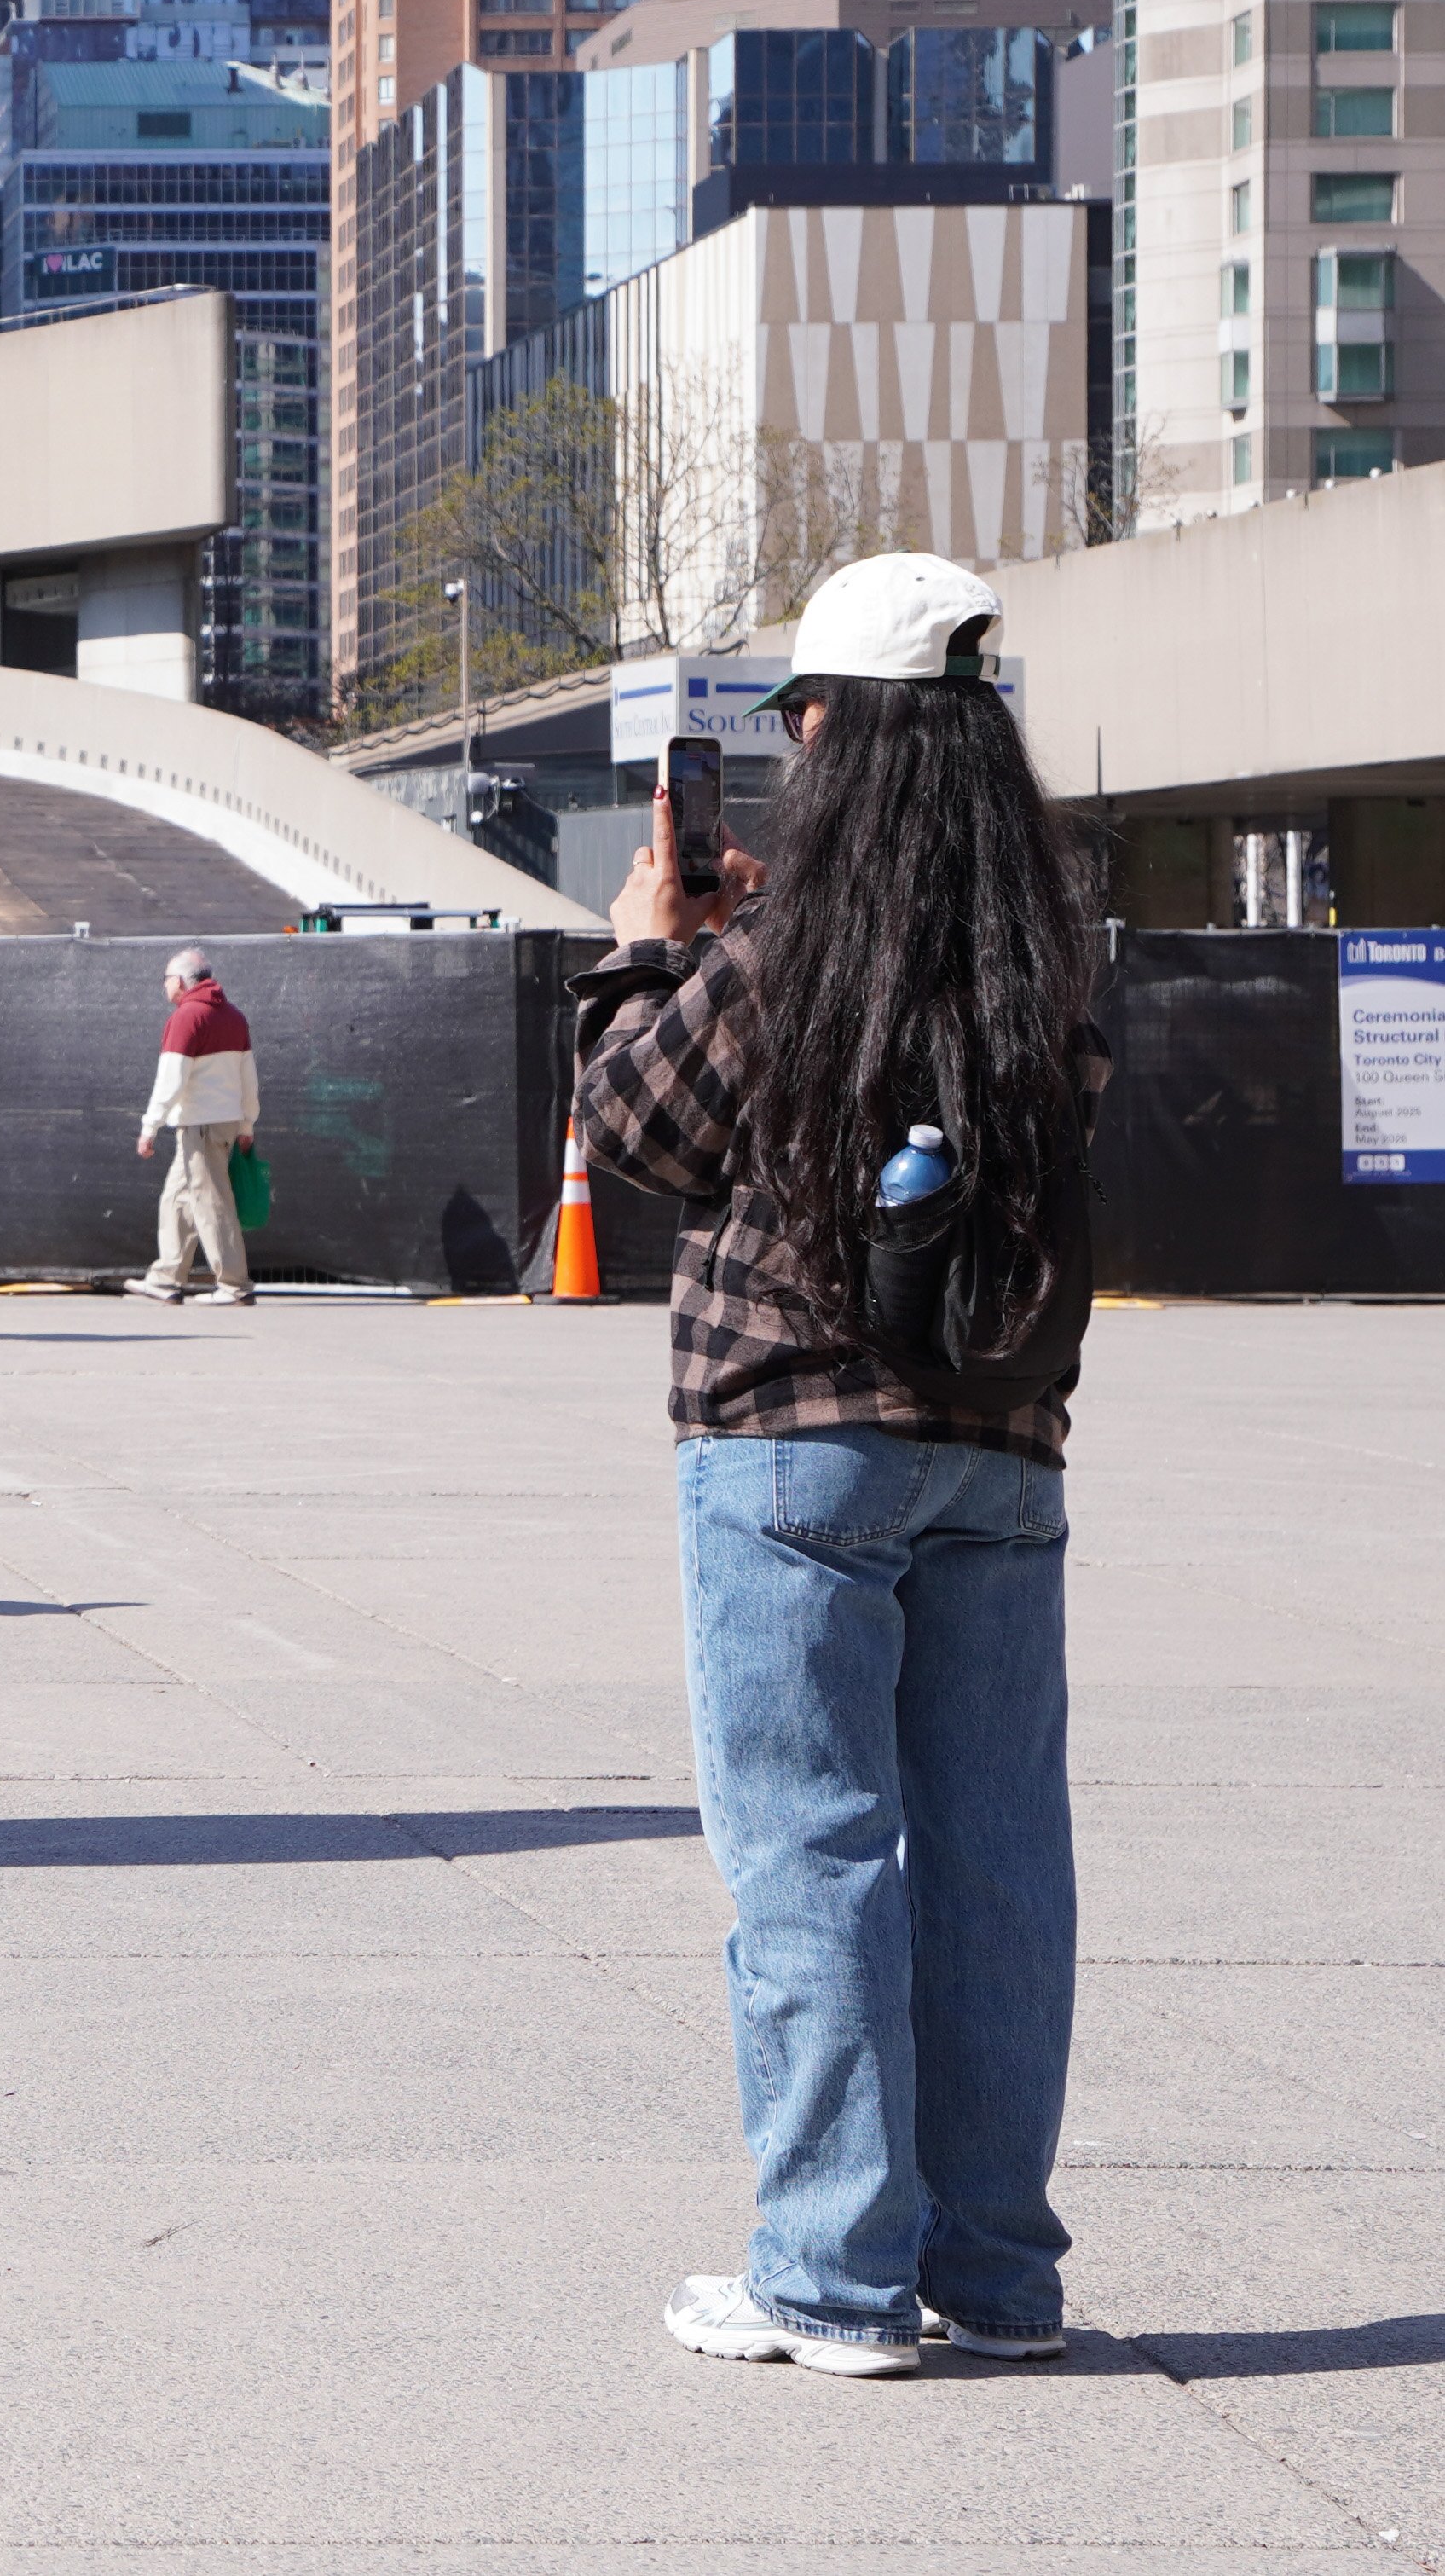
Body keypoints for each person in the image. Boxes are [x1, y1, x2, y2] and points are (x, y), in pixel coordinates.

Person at [573, 552, 1104, 2381]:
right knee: (995, 1860)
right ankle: (994, 2271)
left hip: (793, 1439)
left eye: (800, 717)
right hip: (1000, 1433)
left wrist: (653, 936)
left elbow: (638, 1119)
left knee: (813, 1854)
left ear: (844, 734)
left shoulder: (787, 941)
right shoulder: (1051, 938)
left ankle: (830, 2275)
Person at [134, 946, 258, 1305]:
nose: (164, 986)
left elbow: (171, 1078)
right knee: (177, 1198)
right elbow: (248, 1076)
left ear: (181, 981)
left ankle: (235, 1286)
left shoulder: (187, 1017)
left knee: (211, 1202)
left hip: (200, 1126)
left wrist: (150, 1126)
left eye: (166, 979)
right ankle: (165, 1278)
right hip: (217, 1124)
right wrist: (247, 1122)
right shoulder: (233, 1016)